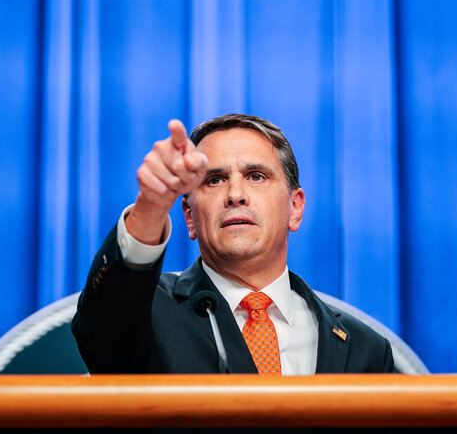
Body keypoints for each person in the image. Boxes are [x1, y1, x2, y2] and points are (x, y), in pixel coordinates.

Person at [72, 113, 395, 374]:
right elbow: (104, 328)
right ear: (189, 217)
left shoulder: (365, 348)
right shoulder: (146, 311)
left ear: (295, 208)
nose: (235, 194)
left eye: (256, 176)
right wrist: (150, 208)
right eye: (214, 180)